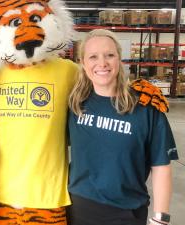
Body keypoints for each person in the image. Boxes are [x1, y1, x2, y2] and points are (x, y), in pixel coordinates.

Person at [67, 29, 179, 225]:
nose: (102, 63)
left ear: (119, 59)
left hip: (127, 213)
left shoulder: (146, 106)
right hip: (77, 210)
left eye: (110, 55)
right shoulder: (74, 104)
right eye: (93, 56)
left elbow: (161, 165)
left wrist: (160, 218)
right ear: (83, 64)